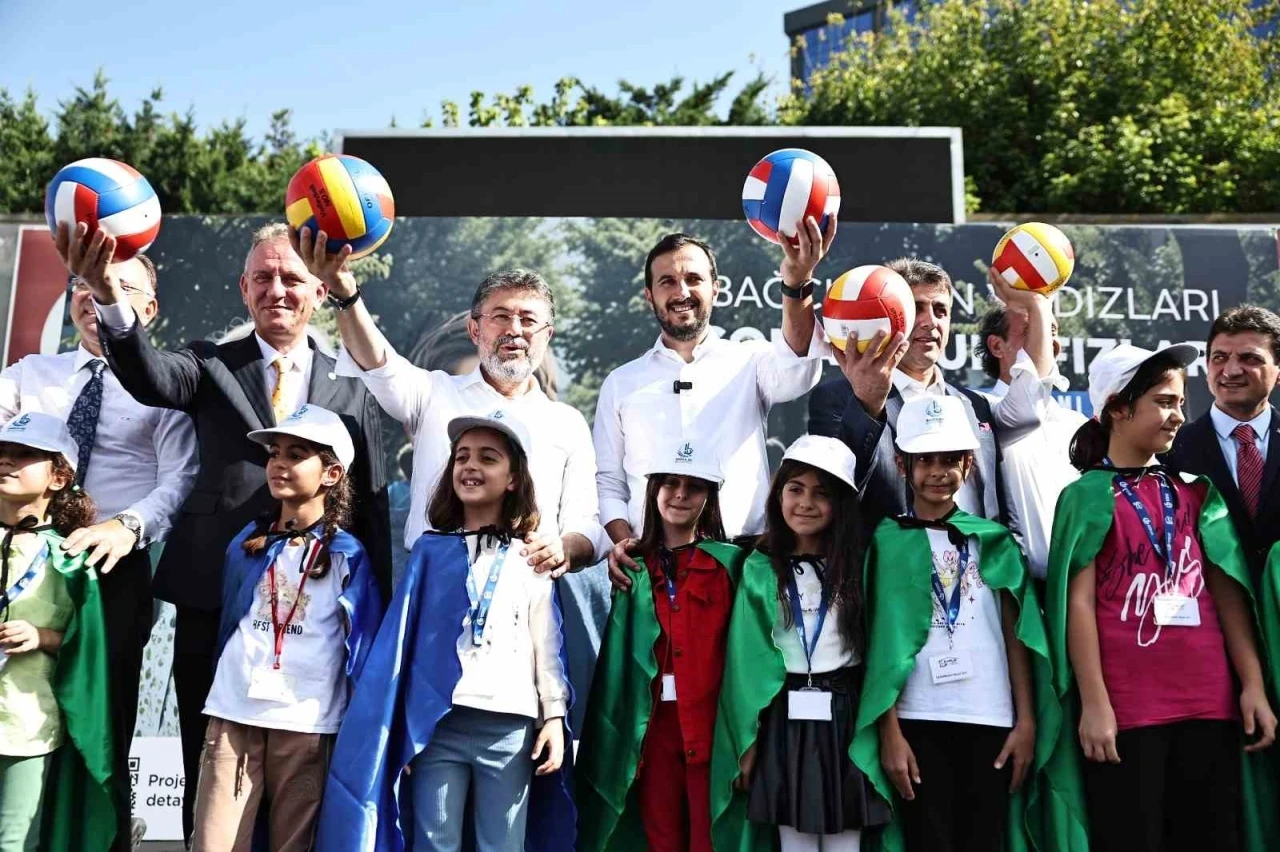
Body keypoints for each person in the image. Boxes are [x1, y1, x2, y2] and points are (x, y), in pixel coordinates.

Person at [61, 221, 392, 840]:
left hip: (316, 608)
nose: (277, 289)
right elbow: (147, 374)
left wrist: (377, 606)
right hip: (214, 595)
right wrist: (109, 296)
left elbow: (369, 498)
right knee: (210, 774)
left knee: (302, 783)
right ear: (244, 288)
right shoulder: (209, 364)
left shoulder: (354, 382)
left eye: (291, 277)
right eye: (262, 277)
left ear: (319, 291)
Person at [1043, 343, 1277, 852]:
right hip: (1130, 711)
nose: (1179, 416)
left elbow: (1228, 595)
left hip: (1211, 703)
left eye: (1181, 402)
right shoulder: (1084, 496)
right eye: (1165, 402)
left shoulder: (1196, 491)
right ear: (1118, 408)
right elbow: (1076, 606)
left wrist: (1253, 686)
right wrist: (1095, 704)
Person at [317, 411, 574, 852]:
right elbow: (404, 646)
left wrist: (552, 716)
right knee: (434, 843)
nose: (471, 466)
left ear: (514, 479)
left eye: (488, 458)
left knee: (502, 845)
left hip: (509, 728)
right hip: (436, 725)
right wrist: (402, 724)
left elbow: (546, 645)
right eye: (462, 457)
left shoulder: (530, 559)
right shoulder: (429, 551)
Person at [12, 247, 197, 850]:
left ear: (149, 308)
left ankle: (102, 837)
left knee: (101, 717)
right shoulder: (29, 376)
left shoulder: (164, 388)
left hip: (109, 569)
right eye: (85, 284)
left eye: (116, 286)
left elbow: (181, 477)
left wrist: (126, 527)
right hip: (23, 561)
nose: (96, 295)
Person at [848, 396, 1052, 852]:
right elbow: (881, 644)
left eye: (949, 460)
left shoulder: (993, 540)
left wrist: (1026, 722)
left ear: (969, 464)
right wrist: (889, 731)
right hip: (917, 719)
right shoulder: (886, 541)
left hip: (991, 718)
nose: (937, 472)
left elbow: (1016, 636)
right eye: (924, 460)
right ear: (902, 465)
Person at [596, 223, 831, 589]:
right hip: (650, 571)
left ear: (715, 289)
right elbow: (609, 483)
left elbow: (798, 368)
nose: (682, 291)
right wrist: (625, 542)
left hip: (745, 566)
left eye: (694, 279)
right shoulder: (620, 383)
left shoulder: (750, 361)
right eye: (667, 281)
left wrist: (797, 282)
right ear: (649, 296)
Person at [190, 405, 382, 851]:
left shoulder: (348, 556)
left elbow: (361, 647)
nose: (279, 463)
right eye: (275, 453)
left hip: (306, 721)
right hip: (234, 712)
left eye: (296, 455)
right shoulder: (247, 542)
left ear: (332, 473)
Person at [711, 435, 890, 852]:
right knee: (793, 840)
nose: (806, 503)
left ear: (841, 504)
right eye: (795, 489)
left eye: (821, 493)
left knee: (846, 837)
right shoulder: (757, 566)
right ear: (778, 495)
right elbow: (745, 665)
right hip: (782, 715)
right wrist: (747, 744)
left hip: (845, 713)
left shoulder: (860, 565)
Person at [577, 438, 744, 852]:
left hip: (712, 731)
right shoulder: (631, 569)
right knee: (659, 838)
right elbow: (618, 664)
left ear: (711, 496)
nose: (680, 494)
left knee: (711, 838)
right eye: (670, 483)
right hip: (651, 734)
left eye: (694, 486)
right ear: (653, 490)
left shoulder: (732, 566)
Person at [807, 260, 1057, 532]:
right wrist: (868, 402)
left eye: (941, 310)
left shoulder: (975, 405)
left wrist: (1038, 305)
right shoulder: (838, 398)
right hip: (895, 558)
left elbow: (1029, 409)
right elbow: (834, 490)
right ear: (889, 317)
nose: (931, 322)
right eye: (916, 309)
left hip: (981, 559)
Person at [0, 413, 116, 852]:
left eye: (25, 454)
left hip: (25, 724)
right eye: (1, 452)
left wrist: (40, 635)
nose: (6, 461)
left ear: (59, 477)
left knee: (14, 843)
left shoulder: (71, 558)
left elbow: (86, 647)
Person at [973, 289, 1087, 581]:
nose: (1046, 342)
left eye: (1050, 330)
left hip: (1080, 590)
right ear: (997, 346)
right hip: (1015, 590)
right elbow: (1026, 407)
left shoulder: (1078, 425)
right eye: (1031, 330)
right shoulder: (980, 414)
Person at [1167, 306, 1280, 581]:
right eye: (1219, 358)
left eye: (1249, 358)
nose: (1231, 371)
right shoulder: (1169, 452)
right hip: (1210, 603)